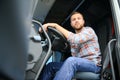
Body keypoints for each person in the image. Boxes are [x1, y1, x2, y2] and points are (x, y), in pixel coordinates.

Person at [38, 11, 101, 80]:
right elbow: (73, 49)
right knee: (51, 66)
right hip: (79, 64)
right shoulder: (73, 39)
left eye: (79, 18)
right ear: (71, 24)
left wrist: (55, 25)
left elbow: (75, 39)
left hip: (93, 65)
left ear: (83, 21)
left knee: (71, 61)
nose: (76, 20)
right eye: (73, 19)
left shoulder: (89, 31)